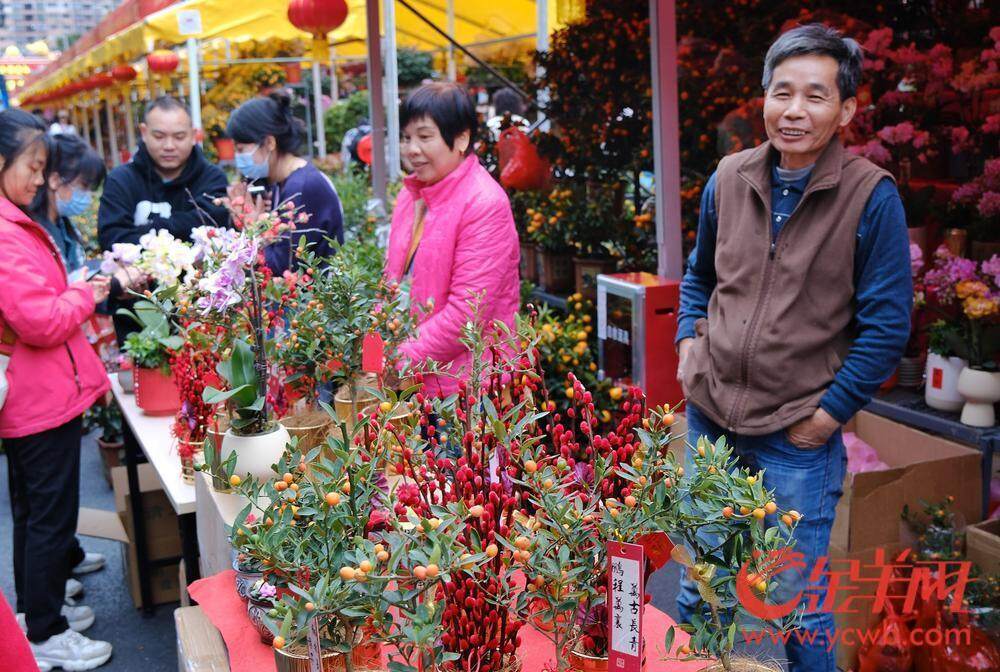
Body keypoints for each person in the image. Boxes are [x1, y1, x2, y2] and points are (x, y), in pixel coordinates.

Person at [675, 25, 912, 672]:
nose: (795, 111)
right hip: (710, 419)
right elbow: (699, 276)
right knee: (705, 586)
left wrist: (828, 416)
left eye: (815, 95)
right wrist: (688, 341)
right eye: (782, 93)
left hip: (795, 434)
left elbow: (888, 326)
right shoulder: (730, 177)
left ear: (846, 110)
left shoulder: (870, 197)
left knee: (796, 602)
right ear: (763, 98)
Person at [0, 108, 114, 671]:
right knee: (49, 517)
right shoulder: (4, 231)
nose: (41, 180)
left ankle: (35, 613)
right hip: (38, 398)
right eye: (34, 166)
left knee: (34, 514)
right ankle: (47, 634)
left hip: (33, 393)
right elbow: (39, 321)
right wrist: (84, 297)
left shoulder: (11, 222)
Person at [384, 82, 520, 397]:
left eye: (424, 136)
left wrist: (393, 362)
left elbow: (466, 316)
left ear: (461, 138)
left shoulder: (484, 203)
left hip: (464, 389)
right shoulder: (412, 194)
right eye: (406, 137)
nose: (411, 149)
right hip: (414, 378)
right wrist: (372, 358)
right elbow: (392, 281)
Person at [98, 96, 228, 341]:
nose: (169, 145)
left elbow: (214, 225)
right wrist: (183, 229)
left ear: (193, 135)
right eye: (159, 136)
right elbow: (111, 238)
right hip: (136, 317)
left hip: (202, 315)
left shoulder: (212, 179)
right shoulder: (121, 180)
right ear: (144, 133)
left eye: (179, 137)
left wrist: (147, 233)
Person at [227, 91, 344, 274]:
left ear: (270, 143)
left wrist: (252, 226)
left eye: (241, 149)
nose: (238, 157)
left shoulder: (302, 187)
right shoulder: (283, 183)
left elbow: (283, 267)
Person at [29, 134, 104, 281]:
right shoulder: (36, 232)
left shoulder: (64, 226)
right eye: (84, 186)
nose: (87, 195)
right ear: (55, 180)